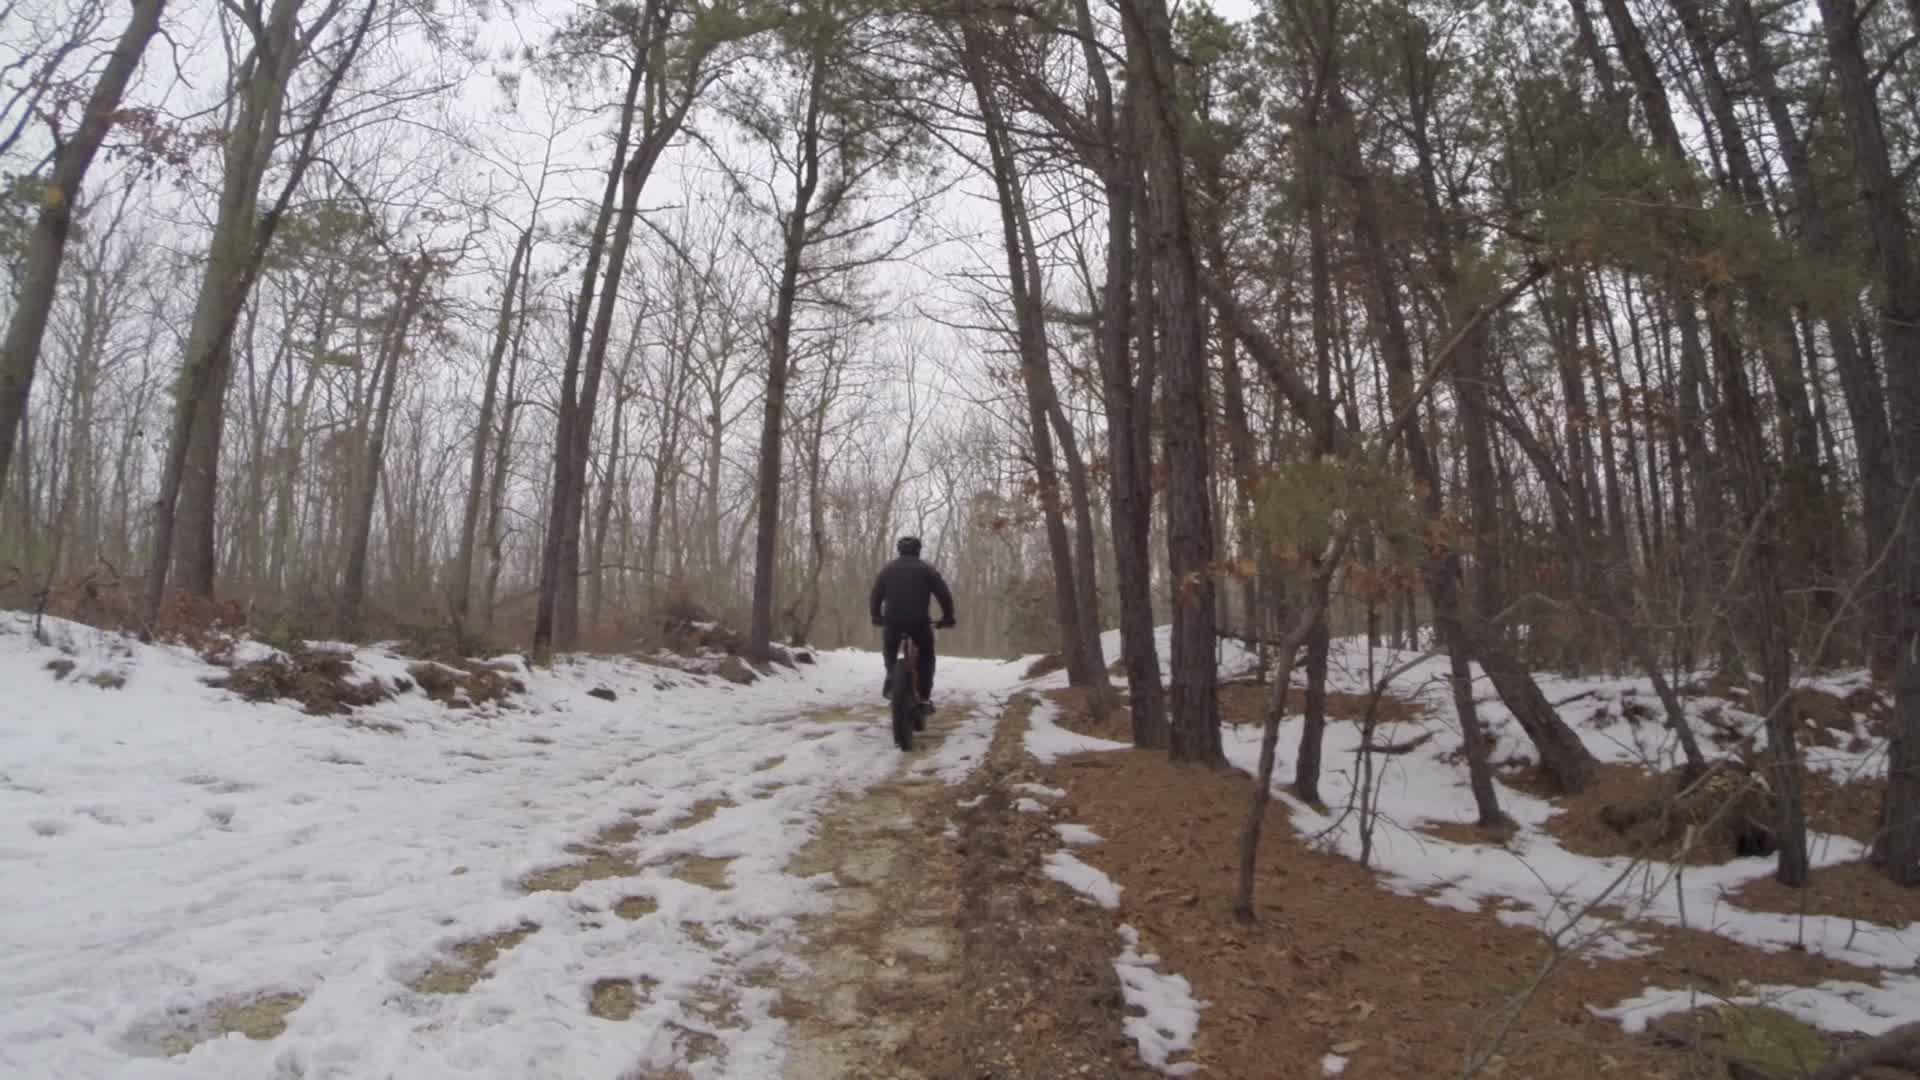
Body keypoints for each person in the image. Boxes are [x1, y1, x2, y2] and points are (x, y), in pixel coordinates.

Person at [870, 535, 956, 709]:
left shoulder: (887, 570)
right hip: (920, 623)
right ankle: (924, 696)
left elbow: (875, 596)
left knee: (890, 649)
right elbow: (944, 595)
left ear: (899, 550)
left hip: (892, 622)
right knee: (926, 656)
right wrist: (948, 617)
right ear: (918, 550)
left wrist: (876, 616)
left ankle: (892, 676)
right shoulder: (927, 569)